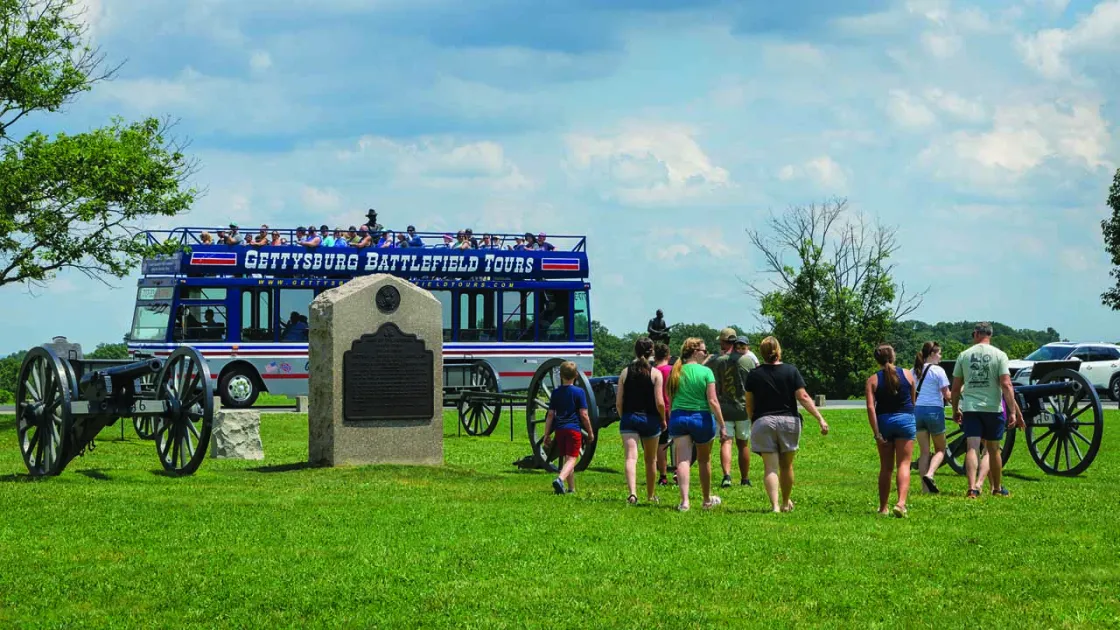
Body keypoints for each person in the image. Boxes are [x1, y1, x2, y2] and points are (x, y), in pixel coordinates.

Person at [745, 336, 829, 513]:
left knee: (770, 467)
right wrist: (820, 418)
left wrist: (754, 421)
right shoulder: (791, 371)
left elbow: (749, 404)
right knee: (786, 465)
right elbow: (803, 397)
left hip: (763, 422)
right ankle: (785, 502)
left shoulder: (754, 374)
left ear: (761, 353)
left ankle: (775, 506)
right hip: (789, 421)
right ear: (779, 351)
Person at [951, 322, 1024, 498]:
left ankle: (972, 488)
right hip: (993, 408)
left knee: (972, 447)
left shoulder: (964, 355)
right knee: (993, 449)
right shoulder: (1000, 355)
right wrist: (1013, 412)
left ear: (976, 334)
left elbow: (955, 388)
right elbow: (1006, 384)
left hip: (971, 408)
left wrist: (955, 409)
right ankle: (997, 488)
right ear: (990, 335)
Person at [667, 337, 727, 511]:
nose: (705, 353)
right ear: (695, 352)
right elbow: (713, 401)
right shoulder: (706, 372)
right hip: (701, 418)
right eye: (703, 350)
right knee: (703, 460)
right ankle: (706, 499)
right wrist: (722, 424)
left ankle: (684, 502)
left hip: (678, 417)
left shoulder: (675, 371)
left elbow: (670, 398)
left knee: (683, 460)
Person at [866, 344, 917, 518]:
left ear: (877, 360)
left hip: (885, 422)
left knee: (886, 468)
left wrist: (877, 432)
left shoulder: (872, 380)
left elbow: (871, 408)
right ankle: (901, 503)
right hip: (905, 420)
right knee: (904, 464)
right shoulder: (908, 374)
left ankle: (883, 507)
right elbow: (913, 400)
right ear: (894, 356)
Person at [615, 337, 667, 504]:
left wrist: (624, 416)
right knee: (650, 459)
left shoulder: (625, 372)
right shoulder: (655, 373)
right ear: (652, 352)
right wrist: (663, 418)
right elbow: (660, 402)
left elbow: (619, 402)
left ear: (635, 351)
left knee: (631, 458)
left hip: (630, 417)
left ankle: (632, 493)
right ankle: (651, 495)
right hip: (650, 419)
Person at [540, 361, 596, 494]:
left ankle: (571, 489)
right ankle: (560, 479)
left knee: (567, 458)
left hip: (559, 430)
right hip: (573, 429)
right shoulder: (579, 392)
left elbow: (550, 415)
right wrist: (590, 432)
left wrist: (547, 434)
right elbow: (584, 414)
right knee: (572, 459)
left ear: (561, 376)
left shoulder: (556, 393)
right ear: (576, 375)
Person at [707, 328, 751, 488]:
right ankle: (745, 478)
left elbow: (703, 367)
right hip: (743, 408)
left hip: (723, 408)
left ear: (726, 342)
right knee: (743, 444)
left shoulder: (717, 361)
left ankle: (727, 476)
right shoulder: (747, 360)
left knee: (726, 442)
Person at [912, 341, 951, 494]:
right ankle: (930, 474)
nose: (940, 356)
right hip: (934, 410)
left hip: (918, 411)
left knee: (924, 452)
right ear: (932, 354)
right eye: (939, 353)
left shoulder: (914, 371)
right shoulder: (938, 370)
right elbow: (946, 395)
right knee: (941, 449)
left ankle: (924, 489)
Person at [652, 342, 674, 486]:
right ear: (668, 355)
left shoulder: (652, 371)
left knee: (661, 444)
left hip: (657, 410)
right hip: (672, 409)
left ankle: (663, 475)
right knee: (678, 442)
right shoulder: (673, 370)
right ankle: (678, 472)